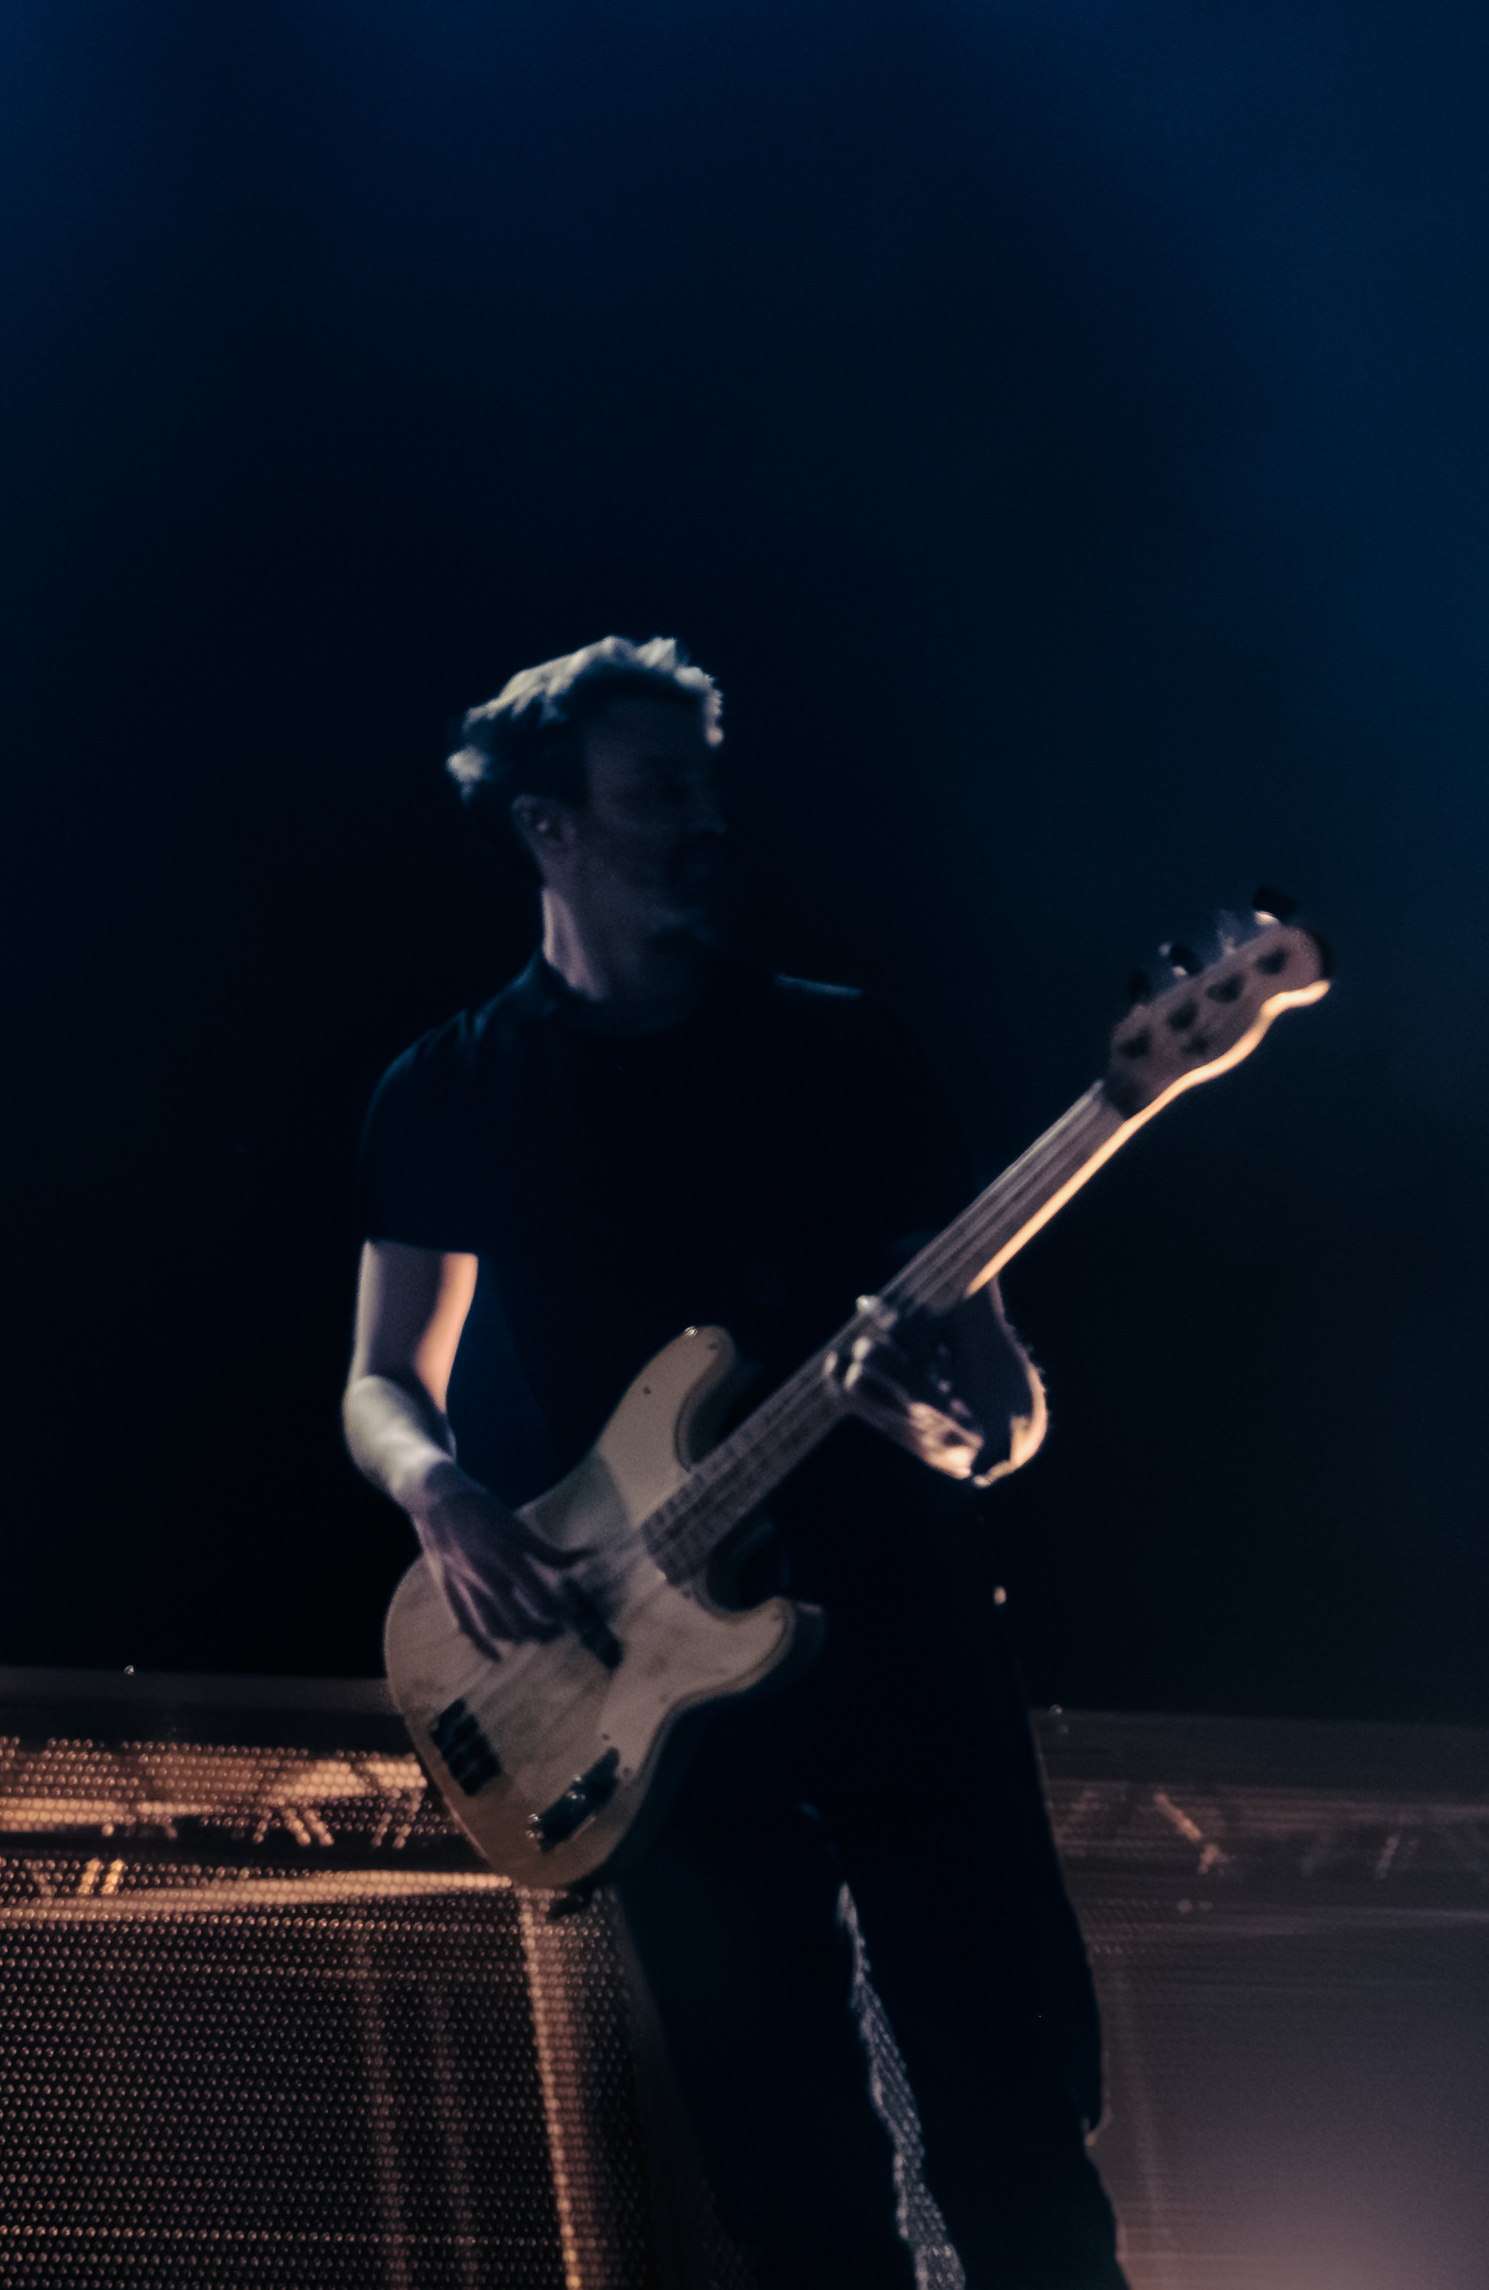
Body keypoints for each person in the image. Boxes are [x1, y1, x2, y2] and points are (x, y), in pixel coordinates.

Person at [344, 634, 1125, 2290]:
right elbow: (378, 1382)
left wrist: (935, 1424)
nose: (702, 820)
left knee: (1016, 2153)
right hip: (649, 1695)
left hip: (903, 1650)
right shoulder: (449, 1089)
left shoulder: (842, 1052)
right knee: (791, 2202)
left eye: (707, 786)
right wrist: (439, 1490)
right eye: (655, 791)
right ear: (548, 825)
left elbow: (999, 1410)